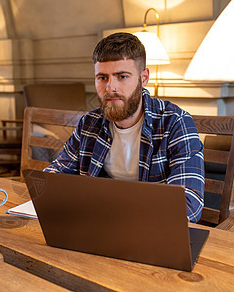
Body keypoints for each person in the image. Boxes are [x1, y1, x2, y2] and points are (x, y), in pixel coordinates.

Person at [44, 32, 204, 223]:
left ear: (144, 78)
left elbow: (188, 206)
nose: (110, 87)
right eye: (102, 78)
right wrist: (52, 184)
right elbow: (56, 173)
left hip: (151, 230)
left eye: (122, 76)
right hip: (98, 224)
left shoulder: (175, 123)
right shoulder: (89, 123)